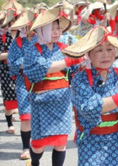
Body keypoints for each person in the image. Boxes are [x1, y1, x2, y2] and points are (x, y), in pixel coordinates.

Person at [62, 26, 118, 166]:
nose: (105, 54)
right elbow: (90, 108)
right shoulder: (80, 79)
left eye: (109, 49)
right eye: (99, 50)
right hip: (90, 142)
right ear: (88, 54)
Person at [23, 7, 82, 166]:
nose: (57, 32)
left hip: (62, 100)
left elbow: (72, 71)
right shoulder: (32, 49)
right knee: (38, 144)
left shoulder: (64, 49)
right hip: (41, 101)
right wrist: (68, 62)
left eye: (58, 28)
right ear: (42, 30)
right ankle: (34, 162)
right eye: (52, 29)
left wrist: (81, 63)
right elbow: (40, 69)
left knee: (61, 141)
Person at [8, 8, 37, 160]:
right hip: (23, 83)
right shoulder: (17, 42)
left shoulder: (43, 41)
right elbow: (13, 64)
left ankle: (36, 144)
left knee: (39, 116)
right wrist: (32, 63)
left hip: (41, 83)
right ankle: (26, 147)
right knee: (26, 116)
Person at [0, 6, 21, 134]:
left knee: (21, 93)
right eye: (2, 23)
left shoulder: (15, 34)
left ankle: (23, 117)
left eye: (7, 23)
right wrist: (11, 54)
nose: (5, 26)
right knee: (8, 95)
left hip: (18, 68)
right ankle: (10, 124)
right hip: (4, 70)